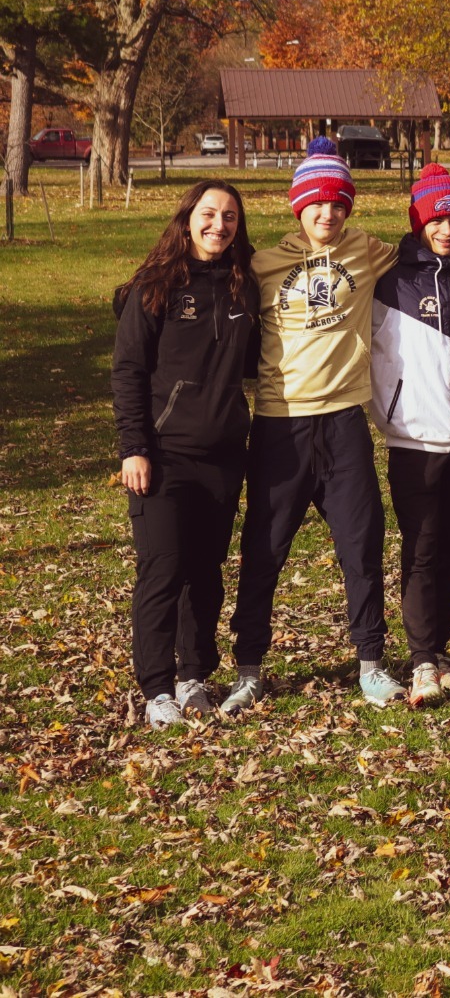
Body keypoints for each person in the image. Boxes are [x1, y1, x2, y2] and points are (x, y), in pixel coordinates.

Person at [226, 139, 414, 709]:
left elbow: (435, 246)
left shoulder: (367, 250)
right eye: (316, 203)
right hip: (281, 427)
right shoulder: (262, 264)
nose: (327, 213)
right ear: (298, 207)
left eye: (338, 204)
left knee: (362, 544)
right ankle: (249, 669)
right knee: (264, 550)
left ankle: (372, 663)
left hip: (344, 424)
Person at [112, 181, 260, 728]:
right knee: (163, 569)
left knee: (205, 571)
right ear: (187, 219)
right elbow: (128, 371)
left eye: (229, 216)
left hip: (223, 456)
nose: (219, 225)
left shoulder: (245, 287)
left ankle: (192, 674)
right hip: (163, 455)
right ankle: (157, 689)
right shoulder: (155, 287)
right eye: (209, 214)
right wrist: (134, 448)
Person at [370, 165, 450, 705]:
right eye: (437, 220)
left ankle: (439, 651)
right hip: (414, 441)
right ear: (418, 222)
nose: (447, 230)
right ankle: (421, 658)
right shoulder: (390, 282)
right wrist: (390, 408)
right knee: (422, 550)